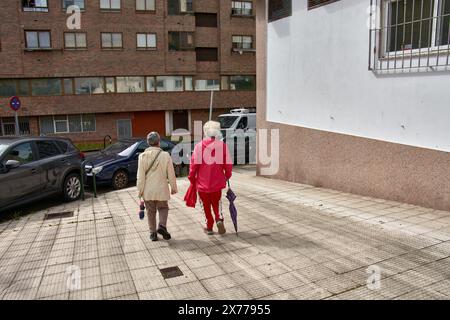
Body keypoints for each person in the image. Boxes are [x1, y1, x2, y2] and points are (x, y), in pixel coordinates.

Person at [188, 121, 233, 235]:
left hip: (202, 184)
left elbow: (193, 166)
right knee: (217, 203)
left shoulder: (199, 147)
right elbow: (228, 164)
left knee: (205, 206)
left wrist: (192, 178)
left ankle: (209, 227)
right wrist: (227, 175)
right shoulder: (222, 146)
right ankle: (219, 218)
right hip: (217, 183)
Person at [137, 132, 178, 241]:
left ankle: (153, 234)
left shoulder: (142, 156)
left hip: (148, 191)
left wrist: (139, 191)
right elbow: (171, 173)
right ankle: (162, 226)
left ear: (148, 143)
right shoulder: (165, 155)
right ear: (159, 142)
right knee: (163, 208)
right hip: (161, 190)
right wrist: (173, 188)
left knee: (150, 211)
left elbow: (140, 177)